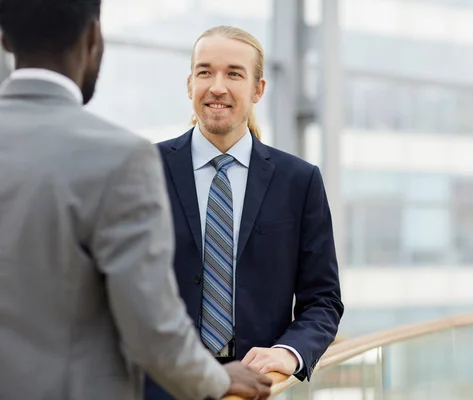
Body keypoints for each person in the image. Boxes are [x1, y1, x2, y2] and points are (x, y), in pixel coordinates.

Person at [0, 2, 272, 400]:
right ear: (94, 37)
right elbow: (149, 326)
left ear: (4, 38)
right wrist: (216, 378)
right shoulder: (120, 158)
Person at [146, 25, 344, 400]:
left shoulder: (299, 182)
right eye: (205, 72)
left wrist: (288, 353)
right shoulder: (143, 170)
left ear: (258, 90)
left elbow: (323, 299)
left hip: (256, 390)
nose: (217, 86)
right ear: (190, 85)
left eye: (234, 73)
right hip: (158, 386)